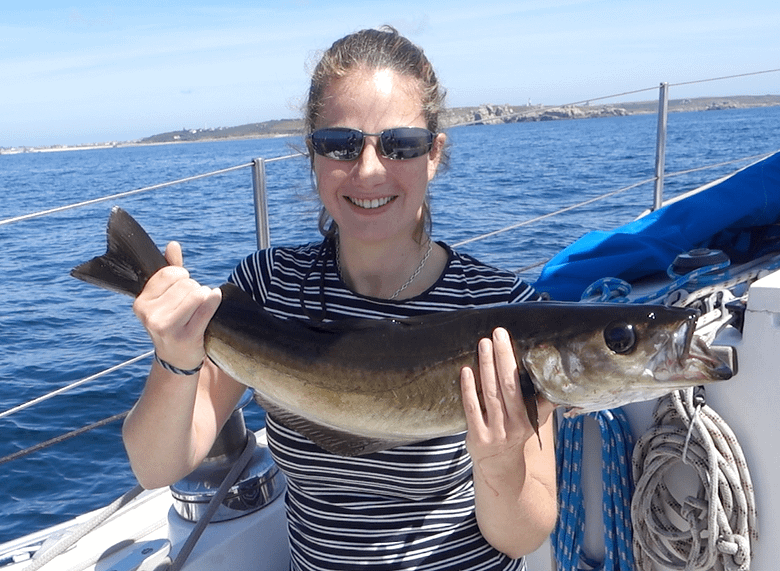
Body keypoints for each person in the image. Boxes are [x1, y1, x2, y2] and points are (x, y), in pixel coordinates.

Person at [123, 26, 557, 570]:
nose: (369, 169)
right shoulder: (270, 288)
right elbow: (155, 466)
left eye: (401, 144)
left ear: (434, 154)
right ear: (312, 153)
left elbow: (522, 537)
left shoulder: (506, 311)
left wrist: (500, 462)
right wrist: (174, 359)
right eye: (340, 144)